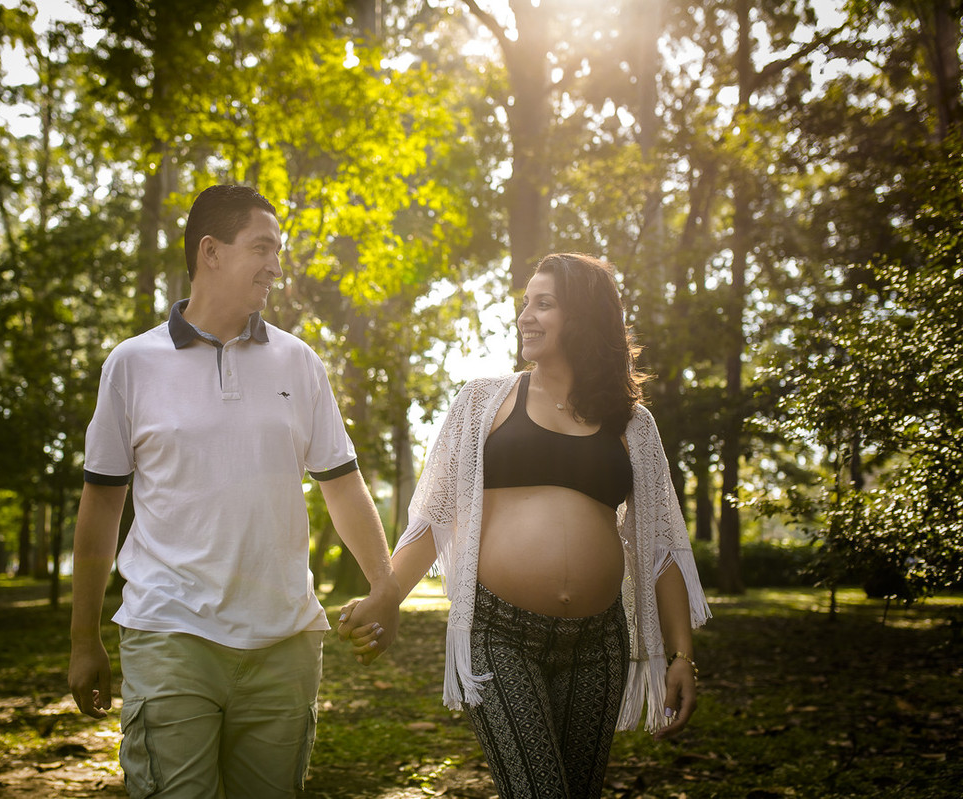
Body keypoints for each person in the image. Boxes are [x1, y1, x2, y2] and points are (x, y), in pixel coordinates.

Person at [69, 184, 401, 799]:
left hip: (285, 643)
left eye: (278, 250)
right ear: (211, 252)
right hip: (171, 633)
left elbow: (343, 485)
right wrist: (83, 637)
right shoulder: (131, 365)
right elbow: (101, 509)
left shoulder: (299, 363)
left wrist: (384, 587)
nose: (276, 265)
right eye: (262, 247)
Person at [340, 253, 711, 799]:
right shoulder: (483, 401)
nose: (525, 317)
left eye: (544, 304)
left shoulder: (631, 422)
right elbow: (435, 518)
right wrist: (386, 594)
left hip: (598, 644)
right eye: (524, 304)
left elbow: (661, 544)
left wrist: (681, 656)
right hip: (500, 634)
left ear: (583, 316)